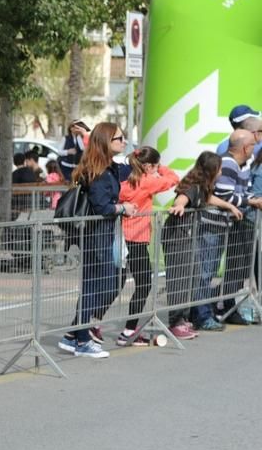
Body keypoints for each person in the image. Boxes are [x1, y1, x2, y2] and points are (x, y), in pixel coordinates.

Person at [57, 122, 135, 359]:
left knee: (98, 283)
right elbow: (103, 206)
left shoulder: (108, 167)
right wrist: (123, 207)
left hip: (99, 233)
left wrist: (136, 161)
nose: (124, 142)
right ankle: (81, 339)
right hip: (96, 233)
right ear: (106, 143)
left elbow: (126, 171)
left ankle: (74, 335)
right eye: (119, 139)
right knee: (103, 284)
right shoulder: (98, 172)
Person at [164, 152, 239, 339]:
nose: (221, 172)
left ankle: (183, 319)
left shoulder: (202, 186)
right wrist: (179, 205)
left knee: (193, 275)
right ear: (212, 170)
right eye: (219, 168)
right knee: (180, 279)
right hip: (177, 237)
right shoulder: (192, 186)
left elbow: (208, 199)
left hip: (188, 236)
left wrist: (229, 206)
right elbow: (183, 197)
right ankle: (175, 322)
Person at [112, 147, 179, 345]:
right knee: (143, 285)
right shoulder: (147, 181)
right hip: (137, 240)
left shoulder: (123, 181)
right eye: (154, 165)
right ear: (148, 166)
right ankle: (128, 331)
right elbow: (173, 179)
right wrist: (161, 168)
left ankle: (93, 325)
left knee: (113, 285)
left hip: (118, 238)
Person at [212, 126, 262, 324]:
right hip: (225, 222)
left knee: (239, 269)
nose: (256, 145)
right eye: (253, 142)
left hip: (240, 221)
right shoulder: (229, 164)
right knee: (216, 269)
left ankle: (226, 306)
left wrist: (251, 199)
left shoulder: (244, 165)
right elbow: (225, 195)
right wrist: (252, 201)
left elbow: (245, 191)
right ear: (244, 147)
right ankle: (209, 309)